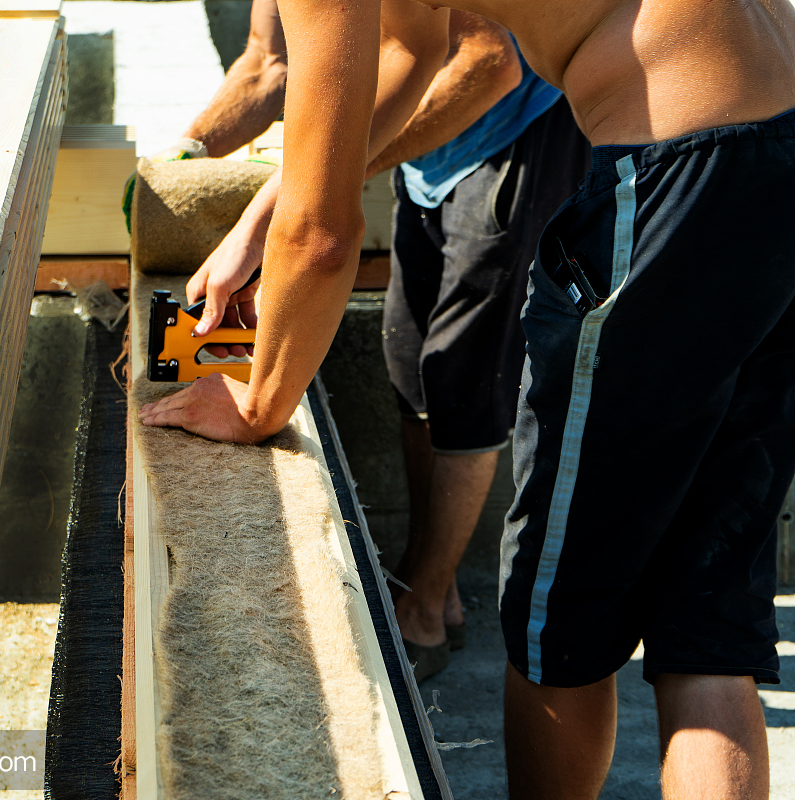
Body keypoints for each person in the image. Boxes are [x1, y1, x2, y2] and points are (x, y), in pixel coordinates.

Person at [139, 0, 795, 793]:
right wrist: (267, 207)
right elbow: (413, 56)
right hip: (775, 132)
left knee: (560, 623)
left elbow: (323, 235)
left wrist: (257, 404)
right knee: (706, 623)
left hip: (676, 164)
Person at [151, 3, 592, 681]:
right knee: (412, 362)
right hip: (431, 148)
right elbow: (274, 65)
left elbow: (486, 62)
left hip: (517, 130)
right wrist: (188, 159)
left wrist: (258, 407)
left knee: (464, 376)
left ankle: (423, 609)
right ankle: (430, 587)